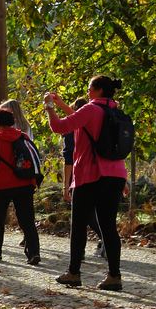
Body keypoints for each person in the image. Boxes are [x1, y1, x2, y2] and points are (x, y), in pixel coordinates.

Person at [45, 75, 128, 290]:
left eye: (90, 87)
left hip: (91, 174)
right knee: (108, 226)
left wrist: (50, 108)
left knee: (79, 225)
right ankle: (114, 275)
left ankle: (73, 272)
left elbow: (59, 127)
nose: (88, 91)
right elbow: (83, 123)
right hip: (116, 173)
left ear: (98, 90)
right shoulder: (115, 111)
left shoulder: (91, 109)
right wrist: (63, 104)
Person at [0, 108, 41, 264]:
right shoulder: (22, 136)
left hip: (3, 184)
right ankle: (34, 252)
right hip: (25, 183)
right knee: (27, 219)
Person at [62, 98, 105, 260]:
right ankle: (103, 242)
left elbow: (68, 160)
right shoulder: (98, 123)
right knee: (94, 213)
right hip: (100, 172)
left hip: (80, 175)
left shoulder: (72, 129)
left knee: (82, 217)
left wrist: (66, 186)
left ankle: (80, 254)